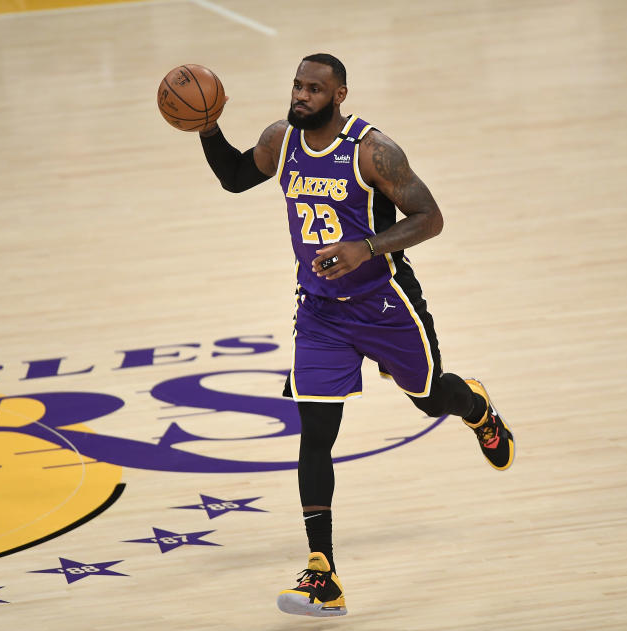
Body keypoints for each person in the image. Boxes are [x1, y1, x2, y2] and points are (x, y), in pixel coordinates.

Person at [195, 53, 515, 617]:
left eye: (314, 89)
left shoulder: (373, 151)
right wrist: (208, 128)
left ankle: (477, 408)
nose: (301, 95)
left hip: (385, 304)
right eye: (296, 85)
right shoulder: (282, 140)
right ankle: (324, 573)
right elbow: (234, 177)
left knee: (430, 398)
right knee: (315, 431)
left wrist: (365, 248)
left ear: (339, 95)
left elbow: (430, 218)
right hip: (320, 312)